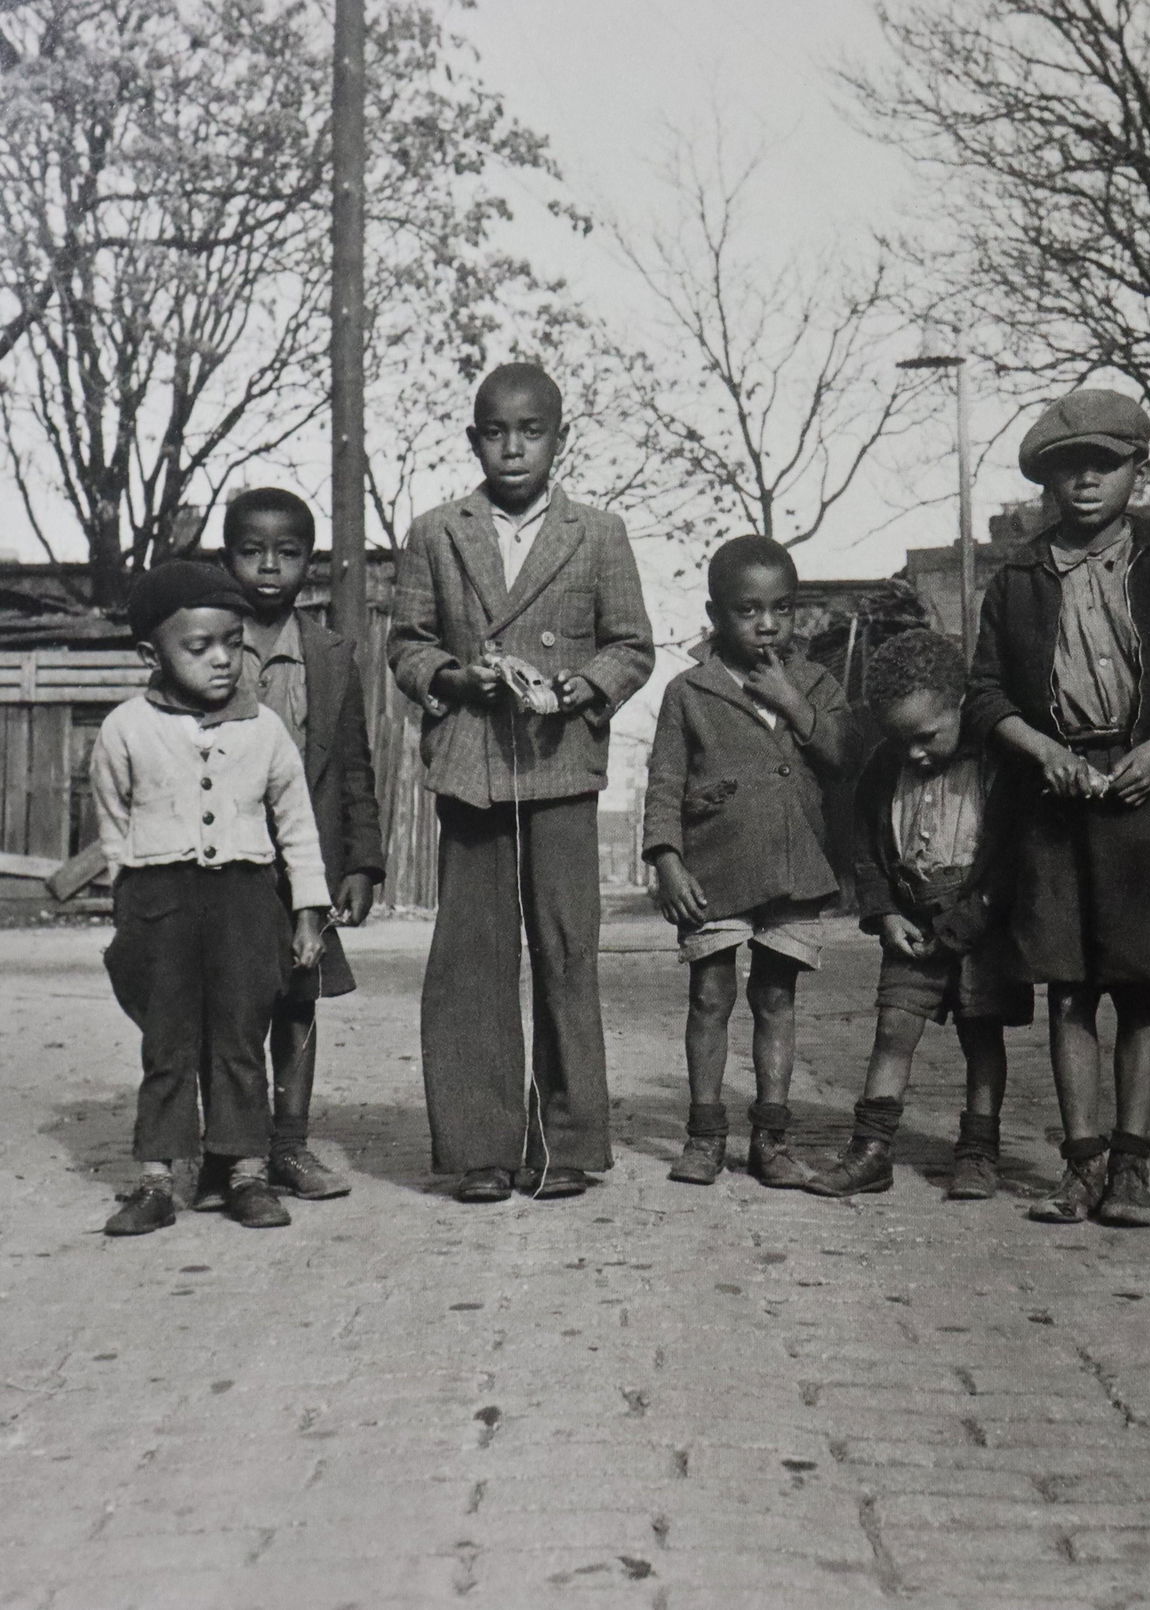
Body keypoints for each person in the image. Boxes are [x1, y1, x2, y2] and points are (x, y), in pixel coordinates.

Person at [966, 390, 1150, 1228]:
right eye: (1066, 469)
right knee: (1068, 987)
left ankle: (1132, 1167)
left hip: (1147, 804)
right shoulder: (1016, 578)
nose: (1085, 483)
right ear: (1047, 482)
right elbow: (982, 695)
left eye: (1104, 466)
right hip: (1054, 809)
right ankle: (1079, 1165)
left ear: (1136, 471)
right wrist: (1043, 751)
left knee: (1138, 987)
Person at [388, 363, 654, 1204]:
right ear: (475, 441)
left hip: (560, 767)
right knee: (471, 958)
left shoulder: (598, 532)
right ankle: (480, 1150)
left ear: (558, 439)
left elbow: (633, 645)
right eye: (496, 432)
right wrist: (455, 679)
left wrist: (581, 687)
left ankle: (567, 1143)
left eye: (530, 431)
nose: (513, 447)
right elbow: (407, 644)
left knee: (567, 950)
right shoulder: (436, 532)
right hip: (471, 767)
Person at [91, 561, 329, 1235]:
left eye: (232, 641)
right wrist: (129, 907)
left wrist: (307, 910)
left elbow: (298, 827)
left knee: (239, 1042)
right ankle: (158, 1180)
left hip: (246, 906)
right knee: (167, 1045)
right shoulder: (125, 728)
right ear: (152, 655)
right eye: (199, 648)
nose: (222, 659)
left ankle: (246, 1174)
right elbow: (113, 825)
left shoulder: (265, 729)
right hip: (159, 903)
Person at [194, 488, 386, 1209]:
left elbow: (356, 766)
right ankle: (227, 1153)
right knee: (229, 1006)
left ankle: (289, 1146)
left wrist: (363, 862)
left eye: (289, 551)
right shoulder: (204, 644)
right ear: (226, 557)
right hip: (226, 860)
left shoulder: (331, 653)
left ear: (313, 562)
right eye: (252, 550)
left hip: (308, 861)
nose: (270, 566)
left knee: (299, 1002)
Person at [643, 535, 849, 1190]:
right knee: (709, 995)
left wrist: (795, 705)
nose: (766, 625)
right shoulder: (689, 691)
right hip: (713, 871)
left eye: (780, 609)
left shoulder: (814, 682)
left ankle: (772, 1140)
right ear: (715, 615)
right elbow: (665, 783)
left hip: (793, 867)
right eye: (748, 610)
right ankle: (705, 1134)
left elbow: (849, 759)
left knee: (776, 997)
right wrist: (667, 859)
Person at [806, 628, 1032, 1202]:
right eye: (898, 738)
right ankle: (873, 1149)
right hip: (911, 923)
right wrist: (883, 913)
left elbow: (1010, 857)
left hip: (981, 926)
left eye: (926, 735)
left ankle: (979, 1152)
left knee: (982, 1038)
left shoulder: (997, 764)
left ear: (958, 704)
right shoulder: (885, 768)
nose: (913, 752)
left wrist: (969, 924)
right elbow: (866, 846)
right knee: (892, 1030)